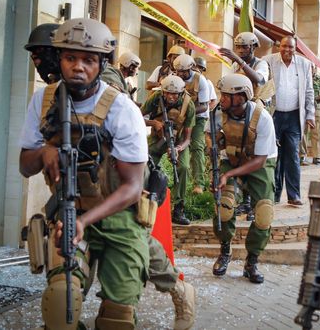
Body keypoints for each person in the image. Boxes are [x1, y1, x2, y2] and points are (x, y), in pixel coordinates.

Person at [23, 22, 196, 330]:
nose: (78, 67)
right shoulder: (44, 101)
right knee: (60, 305)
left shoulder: (121, 109)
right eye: (70, 58)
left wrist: (84, 222)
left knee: (117, 318)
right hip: (70, 209)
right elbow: (26, 165)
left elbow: (131, 188)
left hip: (120, 211)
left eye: (88, 60)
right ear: (59, 57)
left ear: (101, 63)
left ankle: (180, 290)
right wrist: (44, 154)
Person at [208, 74, 277, 284]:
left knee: (264, 212)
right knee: (224, 206)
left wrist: (229, 174)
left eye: (226, 96)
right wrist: (217, 173)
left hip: (260, 163)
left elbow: (259, 161)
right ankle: (225, 251)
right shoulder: (218, 115)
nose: (222, 99)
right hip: (232, 158)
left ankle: (252, 261)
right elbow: (213, 146)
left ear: (240, 97)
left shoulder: (262, 118)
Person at [220, 31, 274, 220]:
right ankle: (243, 201)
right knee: (239, 150)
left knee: (252, 151)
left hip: (256, 109)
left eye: (244, 47)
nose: (241, 50)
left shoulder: (261, 64)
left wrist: (237, 60)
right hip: (238, 110)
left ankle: (252, 203)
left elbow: (259, 80)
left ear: (253, 47)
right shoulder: (236, 64)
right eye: (238, 47)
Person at [263, 36, 315, 205]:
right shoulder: (268, 61)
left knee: (292, 156)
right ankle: (275, 195)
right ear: (279, 46)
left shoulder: (304, 64)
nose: (287, 50)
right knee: (274, 155)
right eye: (284, 46)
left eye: (290, 47)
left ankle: (294, 196)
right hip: (274, 115)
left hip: (294, 116)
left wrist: (310, 115)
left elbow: (309, 91)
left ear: (295, 48)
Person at [141, 74, 195, 226]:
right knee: (144, 162)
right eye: (168, 93)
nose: (171, 97)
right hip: (158, 138)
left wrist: (178, 148)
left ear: (181, 93)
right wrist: (153, 123)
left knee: (183, 167)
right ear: (163, 91)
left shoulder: (188, 105)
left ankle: (179, 209)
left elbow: (188, 138)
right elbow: (136, 116)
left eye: (175, 94)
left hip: (177, 140)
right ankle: (142, 201)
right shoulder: (156, 97)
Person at [173, 54, 210, 196]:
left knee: (197, 146)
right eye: (178, 72)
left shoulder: (200, 80)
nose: (180, 74)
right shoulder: (174, 78)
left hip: (198, 117)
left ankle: (199, 183)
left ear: (191, 68)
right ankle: (181, 180)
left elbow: (205, 106)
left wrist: (188, 113)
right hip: (180, 117)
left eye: (183, 72)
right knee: (180, 145)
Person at [300, 64, 320, 165]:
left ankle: (316, 156)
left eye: (312, 68)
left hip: (317, 108)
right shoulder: (302, 77)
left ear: (315, 69)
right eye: (309, 67)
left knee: (317, 132)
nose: (310, 69)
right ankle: (302, 155)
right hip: (304, 107)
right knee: (303, 132)